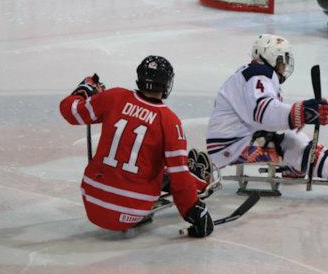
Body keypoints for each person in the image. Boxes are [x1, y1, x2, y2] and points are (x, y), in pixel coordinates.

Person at [59, 55, 215, 237]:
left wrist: (84, 91)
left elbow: (71, 112)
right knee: (165, 170)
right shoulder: (169, 121)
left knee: (139, 158)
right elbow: (179, 175)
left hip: (92, 201)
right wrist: (195, 211)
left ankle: (195, 180)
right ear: (167, 84)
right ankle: (200, 181)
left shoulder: (114, 97)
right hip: (132, 210)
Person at [205, 34, 328, 190]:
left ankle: (300, 166)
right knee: (294, 143)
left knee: (291, 138)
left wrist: (296, 116)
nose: (284, 66)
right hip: (231, 147)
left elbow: (260, 117)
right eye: (282, 60)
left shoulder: (255, 73)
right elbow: (263, 113)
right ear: (272, 57)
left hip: (235, 140)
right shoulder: (259, 74)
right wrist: (302, 112)